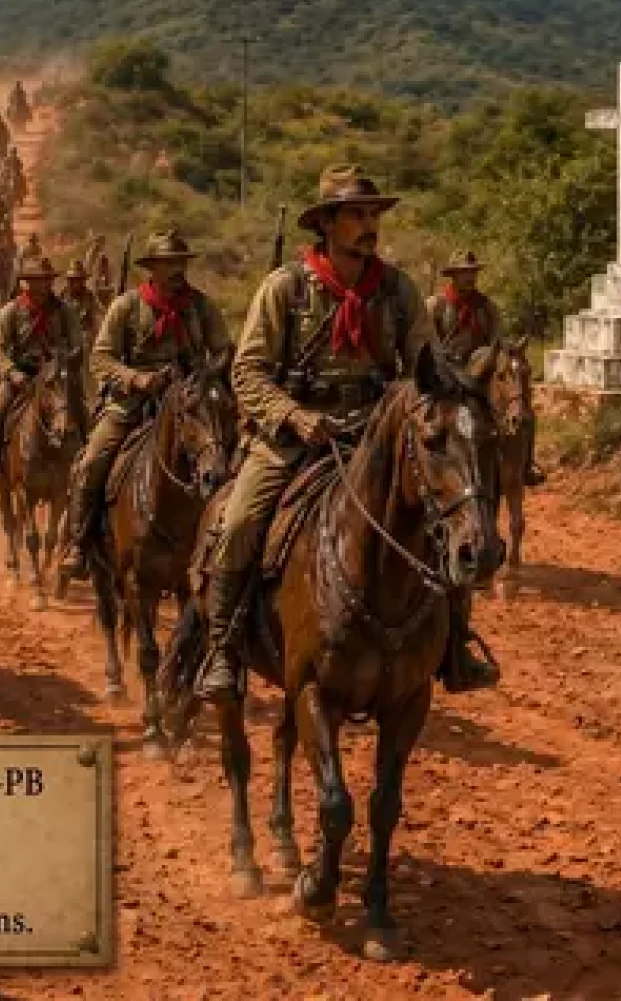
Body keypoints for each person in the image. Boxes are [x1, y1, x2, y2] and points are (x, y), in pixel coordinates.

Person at [192, 164, 501, 703]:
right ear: (329, 225)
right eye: (357, 215)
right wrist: (293, 415)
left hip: (376, 437)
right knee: (239, 520)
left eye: (373, 214)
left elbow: (425, 366)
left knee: (447, 519)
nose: (369, 224)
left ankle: (455, 646)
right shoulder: (284, 289)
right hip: (296, 434)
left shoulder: (398, 290)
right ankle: (222, 647)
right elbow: (248, 371)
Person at [61, 230, 232, 579]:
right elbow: (101, 358)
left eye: (181, 262)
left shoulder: (201, 306)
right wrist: (137, 379)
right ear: (152, 267)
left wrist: (206, 373)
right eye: (168, 263)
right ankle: (79, 542)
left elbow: (223, 351)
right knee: (92, 461)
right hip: (133, 403)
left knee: (228, 456)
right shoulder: (127, 306)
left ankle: (227, 548)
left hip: (190, 402)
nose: (176, 269)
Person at [428, 249, 544, 486]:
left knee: (522, 409)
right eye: (464, 273)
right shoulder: (436, 306)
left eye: (472, 272)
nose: (470, 278)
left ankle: (527, 464)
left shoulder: (486, 307)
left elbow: (497, 340)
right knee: (430, 412)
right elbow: (428, 342)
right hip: (447, 372)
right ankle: (431, 457)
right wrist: (446, 366)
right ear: (454, 276)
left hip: (481, 372)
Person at [0, 254, 83, 489]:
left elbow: (77, 344)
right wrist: (12, 372)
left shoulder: (65, 311)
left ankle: (83, 469)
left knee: (84, 412)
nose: (41, 285)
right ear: (26, 283)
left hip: (56, 377)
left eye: (45, 280)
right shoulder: (11, 311)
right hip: (21, 376)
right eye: (35, 280)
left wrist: (65, 359)